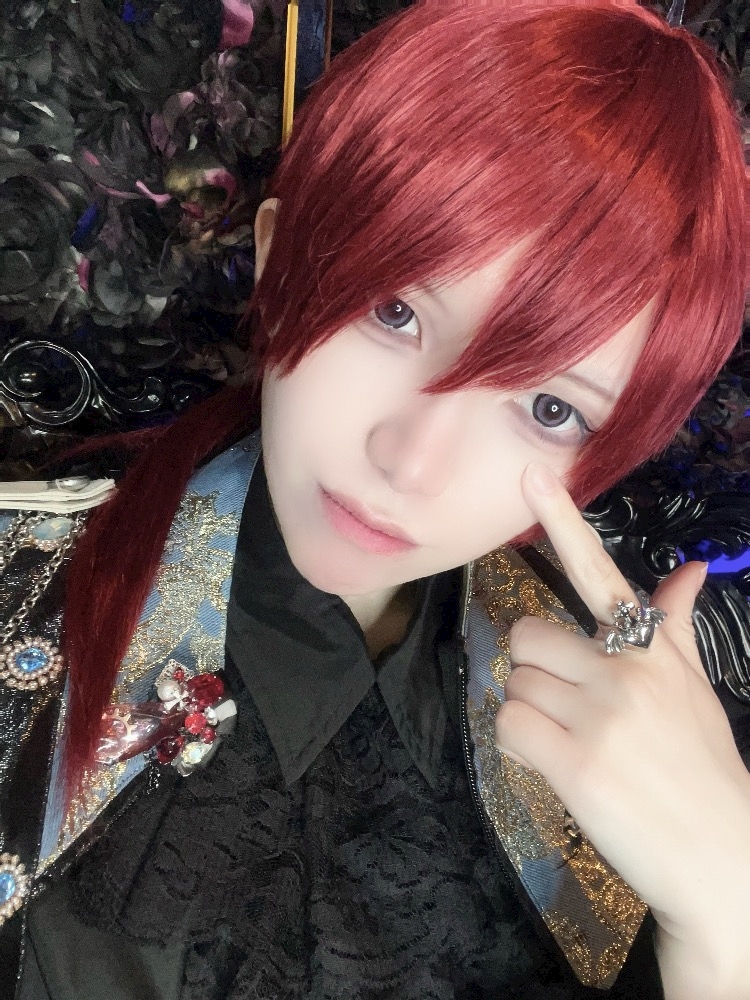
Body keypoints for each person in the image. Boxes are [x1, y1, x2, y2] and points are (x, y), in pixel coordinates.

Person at [1, 1, 748, 997]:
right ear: (279, 259)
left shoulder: (667, 755)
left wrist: (725, 925)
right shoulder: (20, 603)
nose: (413, 461)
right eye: (395, 311)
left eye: (550, 409)